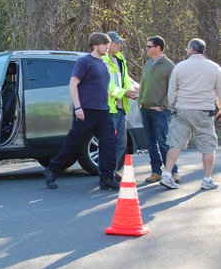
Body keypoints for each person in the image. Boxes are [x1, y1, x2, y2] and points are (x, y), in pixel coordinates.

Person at [44, 32, 119, 190]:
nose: (107, 47)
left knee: (108, 143)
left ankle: (107, 179)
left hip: (103, 111)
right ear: (96, 45)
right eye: (105, 44)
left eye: (108, 44)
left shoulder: (104, 63)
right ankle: (52, 169)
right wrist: (78, 107)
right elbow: (73, 85)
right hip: (86, 110)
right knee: (74, 144)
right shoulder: (85, 61)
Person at [160, 38, 221, 190]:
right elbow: (220, 91)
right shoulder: (214, 67)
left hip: (183, 110)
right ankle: (207, 179)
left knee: (176, 143)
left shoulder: (180, 67)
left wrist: (173, 105)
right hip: (204, 111)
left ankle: (167, 175)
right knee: (208, 146)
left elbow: (172, 91)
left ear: (191, 49)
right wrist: (219, 109)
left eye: (187, 49)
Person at [138, 36, 178, 183]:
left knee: (163, 141)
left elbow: (173, 89)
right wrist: (140, 101)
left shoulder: (169, 66)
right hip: (145, 109)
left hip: (160, 111)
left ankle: (173, 172)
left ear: (158, 48)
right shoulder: (148, 64)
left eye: (149, 46)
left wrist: (162, 106)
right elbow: (143, 83)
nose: (146, 49)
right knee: (150, 142)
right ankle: (156, 172)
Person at [102, 31, 137, 178]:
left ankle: (111, 171)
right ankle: (107, 174)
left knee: (121, 143)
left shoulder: (120, 59)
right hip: (109, 109)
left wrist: (135, 88)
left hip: (121, 108)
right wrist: (124, 93)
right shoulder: (102, 60)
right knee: (108, 144)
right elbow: (107, 85)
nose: (119, 45)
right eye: (117, 43)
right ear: (109, 44)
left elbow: (125, 79)